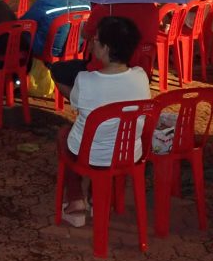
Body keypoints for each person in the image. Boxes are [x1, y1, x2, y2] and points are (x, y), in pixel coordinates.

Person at [58, 16, 150, 227]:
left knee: (64, 136)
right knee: (100, 139)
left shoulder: (85, 80)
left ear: (105, 48)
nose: (93, 42)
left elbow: (77, 105)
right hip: (128, 153)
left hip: (90, 155)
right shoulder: (141, 76)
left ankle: (76, 201)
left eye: (96, 39)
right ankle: (96, 198)